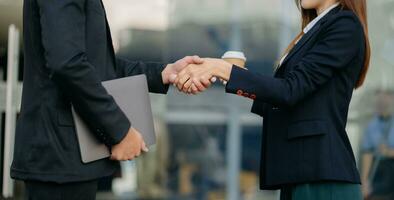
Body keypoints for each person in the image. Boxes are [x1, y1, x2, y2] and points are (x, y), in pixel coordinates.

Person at [174, 0, 371, 199]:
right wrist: (236, 77)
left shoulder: (344, 24)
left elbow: (290, 90)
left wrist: (225, 70)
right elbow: (287, 96)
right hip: (302, 173)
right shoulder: (316, 29)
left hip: (322, 175)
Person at [11, 0, 203, 199]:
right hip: (60, 157)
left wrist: (163, 73)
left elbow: (97, 66)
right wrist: (121, 131)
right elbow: (68, 65)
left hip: (66, 157)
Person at [361, 90, 394, 200]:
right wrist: (365, 181)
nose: (382, 105)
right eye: (379, 103)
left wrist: (388, 152)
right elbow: (367, 153)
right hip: (379, 170)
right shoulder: (372, 125)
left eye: (385, 102)